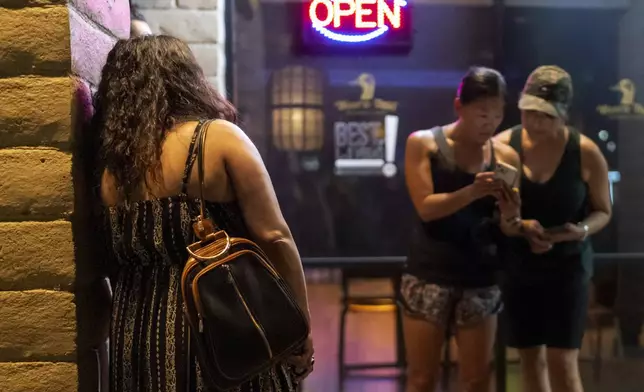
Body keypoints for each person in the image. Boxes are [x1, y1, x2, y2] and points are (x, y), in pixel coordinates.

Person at [92, 35, 314, 392]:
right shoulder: (217, 138)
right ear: (186, 79)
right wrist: (298, 323)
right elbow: (275, 236)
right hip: (218, 325)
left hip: (135, 335)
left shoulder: (110, 168)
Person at [402, 66, 535, 392]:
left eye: (497, 116)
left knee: (476, 379)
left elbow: (508, 226)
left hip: (480, 274)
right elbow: (426, 208)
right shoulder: (423, 144)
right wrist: (472, 191)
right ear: (459, 107)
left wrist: (511, 215)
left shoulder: (505, 156)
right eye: (482, 114)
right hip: (429, 271)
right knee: (422, 379)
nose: (489, 124)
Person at [495, 65, 612, 392]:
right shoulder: (504, 146)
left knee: (564, 360)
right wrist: (518, 227)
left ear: (562, 114)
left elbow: (603, 211)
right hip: (520, 264)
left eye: (543, 115)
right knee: (530, 358)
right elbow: (496, 213)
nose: (534, 122)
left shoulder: (585, 151)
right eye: (528, 112)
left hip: (568, 265)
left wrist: (582, 230)